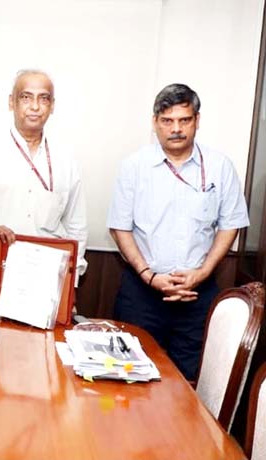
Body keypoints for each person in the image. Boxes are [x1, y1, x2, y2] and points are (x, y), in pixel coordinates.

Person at [107, 83, 249, 380]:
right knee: (129, 379)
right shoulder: (135, 167)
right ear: (155, 123)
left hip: (196, 294)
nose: (176, 129)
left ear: (197, 120)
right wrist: (150, 276)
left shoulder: (219, 167)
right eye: (167, 121)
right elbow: (120, 227)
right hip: (142, 292)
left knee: (187, 383)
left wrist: (202, 273)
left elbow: (231, 224)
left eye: (184, 120)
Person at [0, 69, 87, 278]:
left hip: (45, 276)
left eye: (44, 99)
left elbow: (77, 227)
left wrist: (71, 283)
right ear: (12, 102)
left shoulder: (67, 162)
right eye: (26, 97)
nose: (35, 107)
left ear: (52, 106)